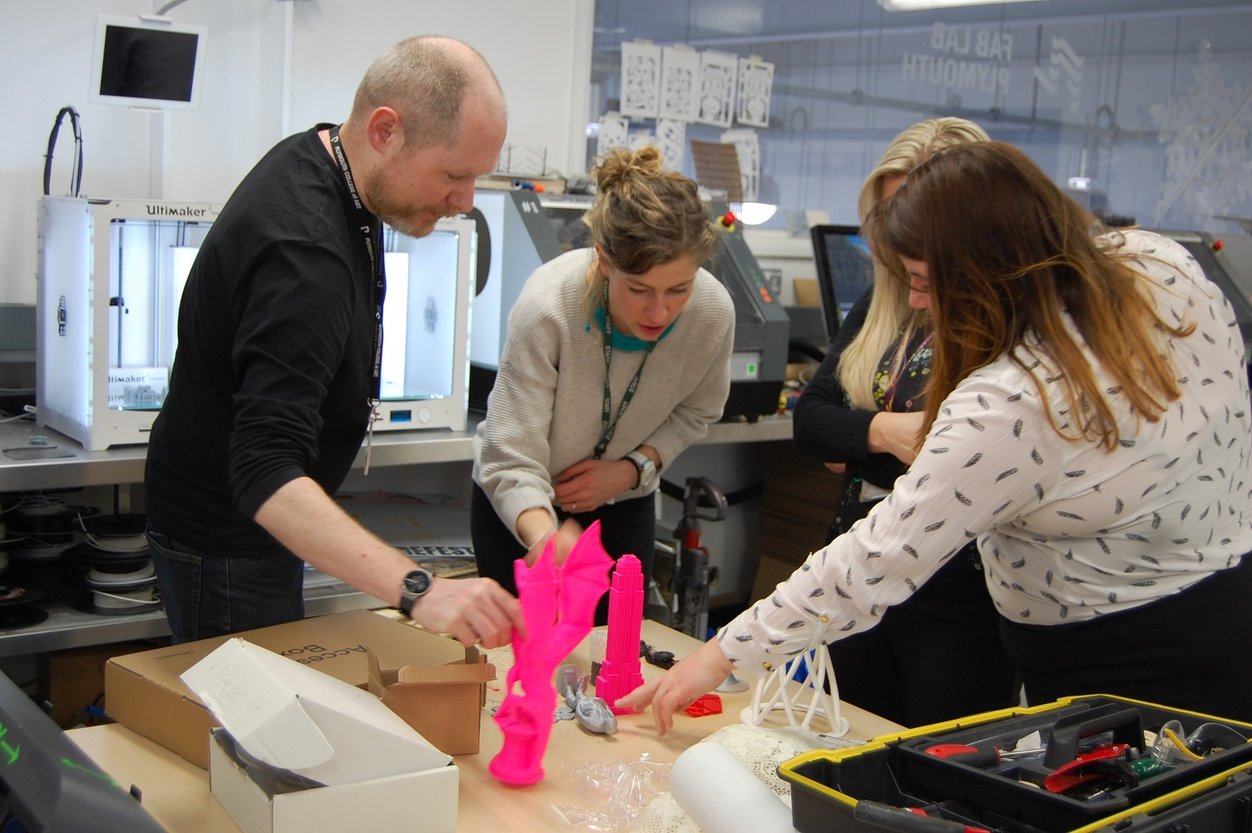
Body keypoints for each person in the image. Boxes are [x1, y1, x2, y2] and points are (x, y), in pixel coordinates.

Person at [622, 140, 1252, 732]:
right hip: (1226, 605)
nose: (917, 303)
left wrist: (719, 656)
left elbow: (876, 557)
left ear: (988, 272)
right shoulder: (1159, 262)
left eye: (925, 281)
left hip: (1113, 657)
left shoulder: (1014, 401)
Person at [144, 36, 524, 647]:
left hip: (251, 525)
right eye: (454, 174)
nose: (464, 201)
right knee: (249, 727)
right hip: (229, 545)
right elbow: (264, 470)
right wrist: (421, 589)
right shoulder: (304, 250)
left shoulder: (325, 157)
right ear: (384, 130)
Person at [792, 118, 1018, 727]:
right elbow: (810, 421)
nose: (899, 235)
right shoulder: (884, 301)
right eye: (889, 213)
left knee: (940, 769)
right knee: (844, 742)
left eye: (914, 213)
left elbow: (957, 462)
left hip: (956, 588)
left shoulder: (999, 326)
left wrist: (855, 435)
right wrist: (883, 435)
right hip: (856, 561)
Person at [471, 146, 735, 622]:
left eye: (679, 290)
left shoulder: (713, 315)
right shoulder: (548, 308)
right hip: (521, 509)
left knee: (612, 661)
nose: (660, 312)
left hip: (623, 503)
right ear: (604, 261)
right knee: (517, 668)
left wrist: (633, 469)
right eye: (639, 290)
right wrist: (546, 538)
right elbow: (508, 457)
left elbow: (697, 411)